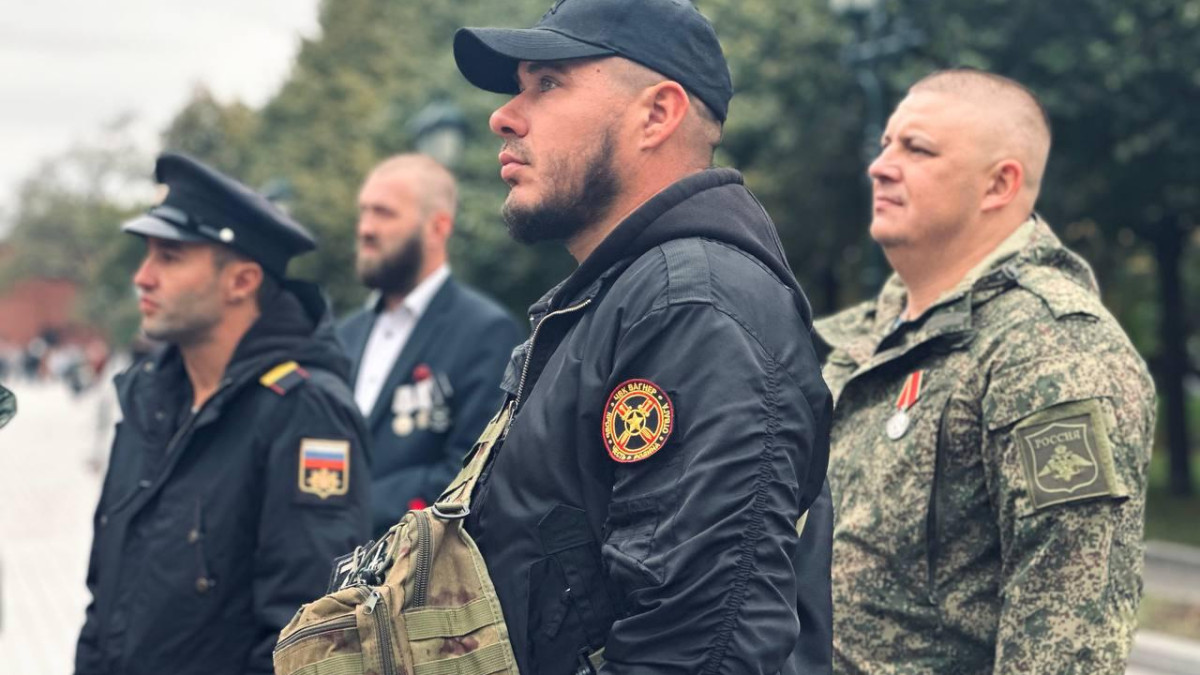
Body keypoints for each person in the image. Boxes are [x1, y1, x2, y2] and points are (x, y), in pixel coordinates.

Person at [450, 0, 833, 672]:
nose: (504, 116)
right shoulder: (621, 300)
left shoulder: (694, 306)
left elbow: (694, 648)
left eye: (548, 83)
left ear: (657, 114)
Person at [815, 69, 1155, 674]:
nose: (881, 166)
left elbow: (1067, 640)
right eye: (886, 144)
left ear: (999, 184)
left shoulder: (1052, 350)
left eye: (917, 149)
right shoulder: (869, 335)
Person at [75, 153, 371, 675]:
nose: (142, 277)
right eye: (147, 255)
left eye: (169, 257)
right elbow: (106, 598)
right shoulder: (148, 395)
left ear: (241, 281)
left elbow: (305, 636)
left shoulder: (304, 412)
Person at [338, 154, 522, 535]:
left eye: (384, 213)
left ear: (438, 227)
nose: (366, 228)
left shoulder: (485, 332)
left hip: (418, 563)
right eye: (364, 212)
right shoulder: (343, 335)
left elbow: (475, 472)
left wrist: (346, 509)